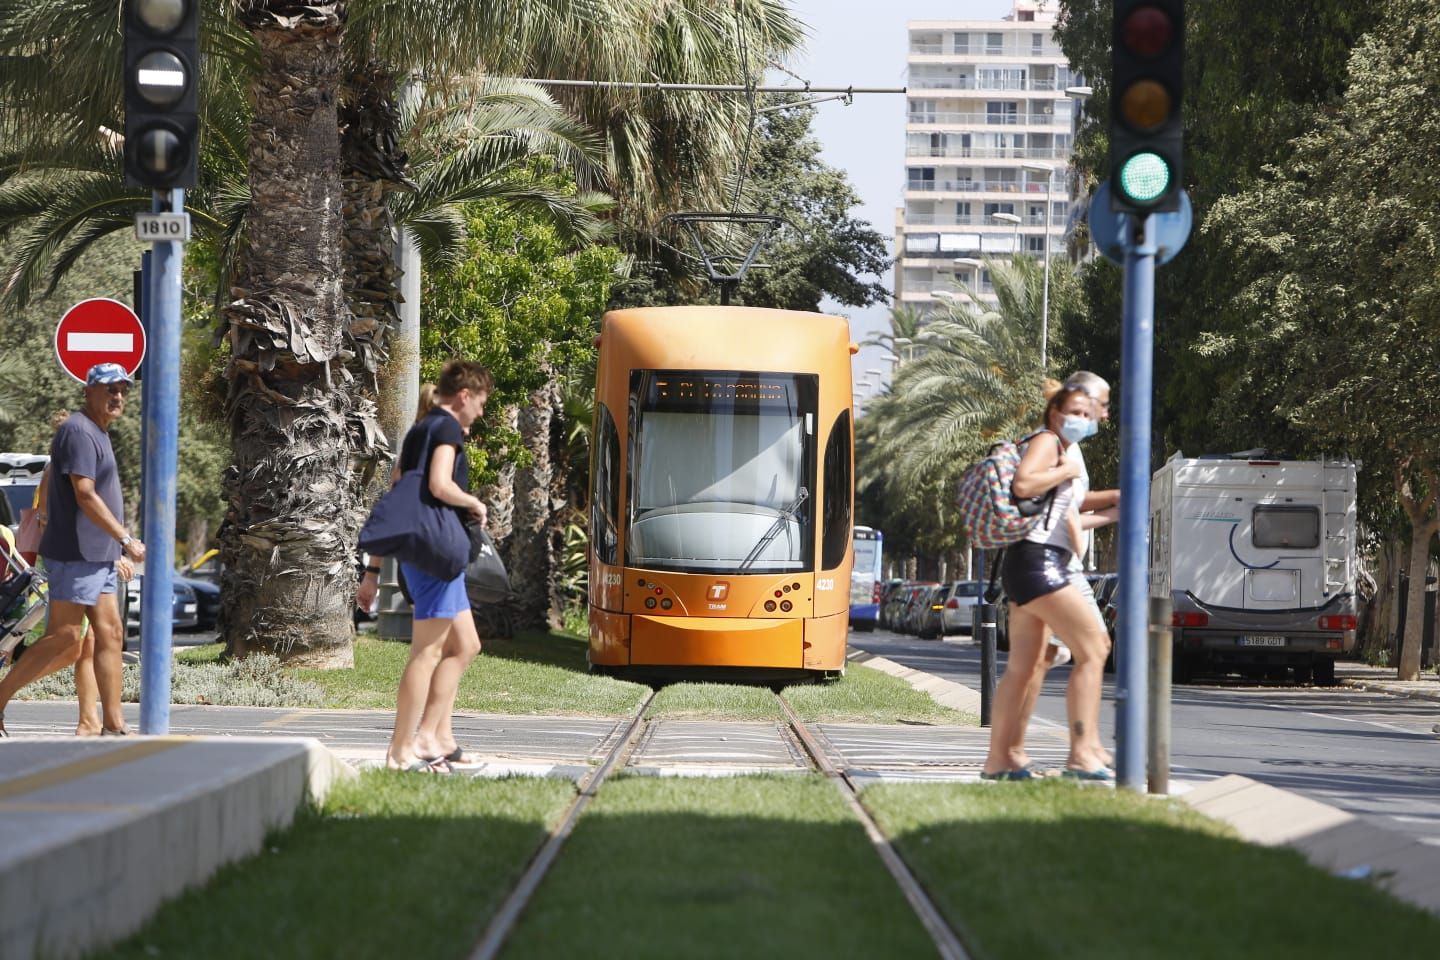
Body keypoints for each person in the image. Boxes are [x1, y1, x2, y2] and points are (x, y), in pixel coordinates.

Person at [356, 361, 491, 772]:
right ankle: (406, 747)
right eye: (481, 403)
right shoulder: (446, 427)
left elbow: (396, 498)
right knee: (427, 651)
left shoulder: (420, 430)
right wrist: (474, 502)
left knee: (465, 646)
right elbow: (438, 485)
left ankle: (439, 736)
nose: (481, 413)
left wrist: (373, 571)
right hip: (435, 553)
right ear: (464, 395)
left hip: (426, 554)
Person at [0, 363, 146, 737]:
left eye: (122, 391)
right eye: (109, 389)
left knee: (110, 634)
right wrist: (125, 539)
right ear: (88, 391)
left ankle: (112, 723)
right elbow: (84, 494)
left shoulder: (98, 432)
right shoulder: (78, 431)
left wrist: (112, 548)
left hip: (97, 554)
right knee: (65, 638)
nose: (117, 397)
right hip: (76, 554)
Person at [981, 384, 1112, 780]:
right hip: (1041, 564)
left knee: (1025, 666)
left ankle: (1002, 759)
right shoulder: (1047, 441)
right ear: (1054, 412)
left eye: (1089, 415)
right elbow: (1024, 484)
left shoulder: (1058, 447)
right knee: (1095, 648)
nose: (1084, 421)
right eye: (1076, 412)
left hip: (1029, 562)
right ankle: (1081, 755)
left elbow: (1060, 503)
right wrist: (1068, 470)